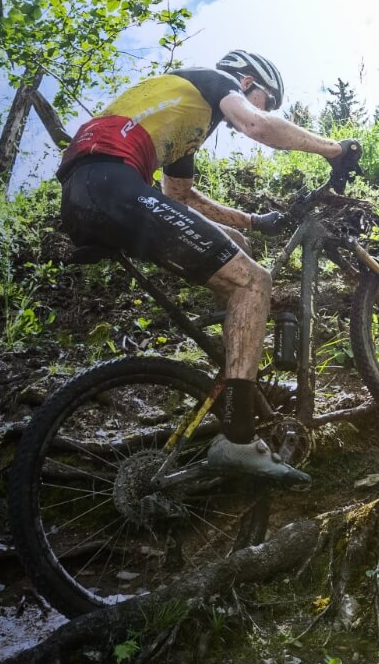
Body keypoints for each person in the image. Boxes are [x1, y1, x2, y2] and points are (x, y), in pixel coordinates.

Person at [57, 50, 361, 483]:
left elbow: (180, 198)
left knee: (234, 251)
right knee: (254, 283)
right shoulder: (217, 80)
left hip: (89, 191)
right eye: (266, 99)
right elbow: (257, 125)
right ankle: (237, 440)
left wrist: (254, 222)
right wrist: (334, 149)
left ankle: (242, 371)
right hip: (111, 182)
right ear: (249, 82)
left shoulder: (184, 120)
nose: (263, 110)